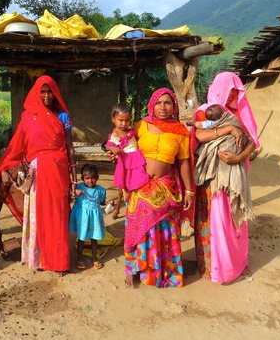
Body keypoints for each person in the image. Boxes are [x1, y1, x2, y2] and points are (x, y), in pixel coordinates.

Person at [0, 75, 77, 277]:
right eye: (43, 91)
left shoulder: (62, 117)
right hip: (38, 174)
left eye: (50, 91)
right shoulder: (28, 117)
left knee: (57, 216)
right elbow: (17, 148)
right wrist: (5, 167)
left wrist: (74, 179)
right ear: (36, 93)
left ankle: (59, 260)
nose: (47, 95)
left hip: (59, 172)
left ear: (56, 93)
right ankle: (39, 257)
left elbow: (70, 149)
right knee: (39, 215)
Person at [116, 88, 194, 288]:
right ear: (151, 104)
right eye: (158, 102)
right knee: (137, 230)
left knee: (163, 231)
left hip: (166, 188)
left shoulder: (180, 131)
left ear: (174, 106)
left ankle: (161, 271)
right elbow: (123, 143)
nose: (162, 107)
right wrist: (110, 149)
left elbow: (184, 162)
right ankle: (133, 270)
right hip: (140, 185)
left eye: (167, 103)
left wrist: (188, 191)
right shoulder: (141, 126)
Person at [192, 71, 260, 284]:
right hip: (212, 178)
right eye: (229, 91)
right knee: (212, 221)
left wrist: (238, 156)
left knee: (234, 220)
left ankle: (237, 263)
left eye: (235, 92)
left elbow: (253, 142)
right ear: (218, 89)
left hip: (235, 175)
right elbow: (200, 135)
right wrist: (229, 128)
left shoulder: (241, 112)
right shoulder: (207, 111)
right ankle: (210, 265)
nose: (231, 96)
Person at [70, 164, 112, 270]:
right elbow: (70, 191)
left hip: (95, 218)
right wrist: (75, 191)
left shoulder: (101, 190)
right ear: (82, 179)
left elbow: (101, 201)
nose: (90, 181)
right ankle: (80, 257)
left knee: (94, 237)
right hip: (82, 217)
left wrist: (107, 202)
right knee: (81, 238)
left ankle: (94, 257)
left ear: (97, 178)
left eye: (93, 178)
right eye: (87, 178)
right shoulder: (79, 187)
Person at [105, 103, 149, 202]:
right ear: (113, 119)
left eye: (127, 120)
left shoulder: (130, 130)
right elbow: (108, 145)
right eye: (120, 120)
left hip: (136, 156)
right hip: (126, 159)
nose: (124, 123)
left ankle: (136, 195)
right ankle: (126, 196)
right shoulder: (115, 133)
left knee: (139, 175)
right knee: (126, 177)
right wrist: (112, 149)